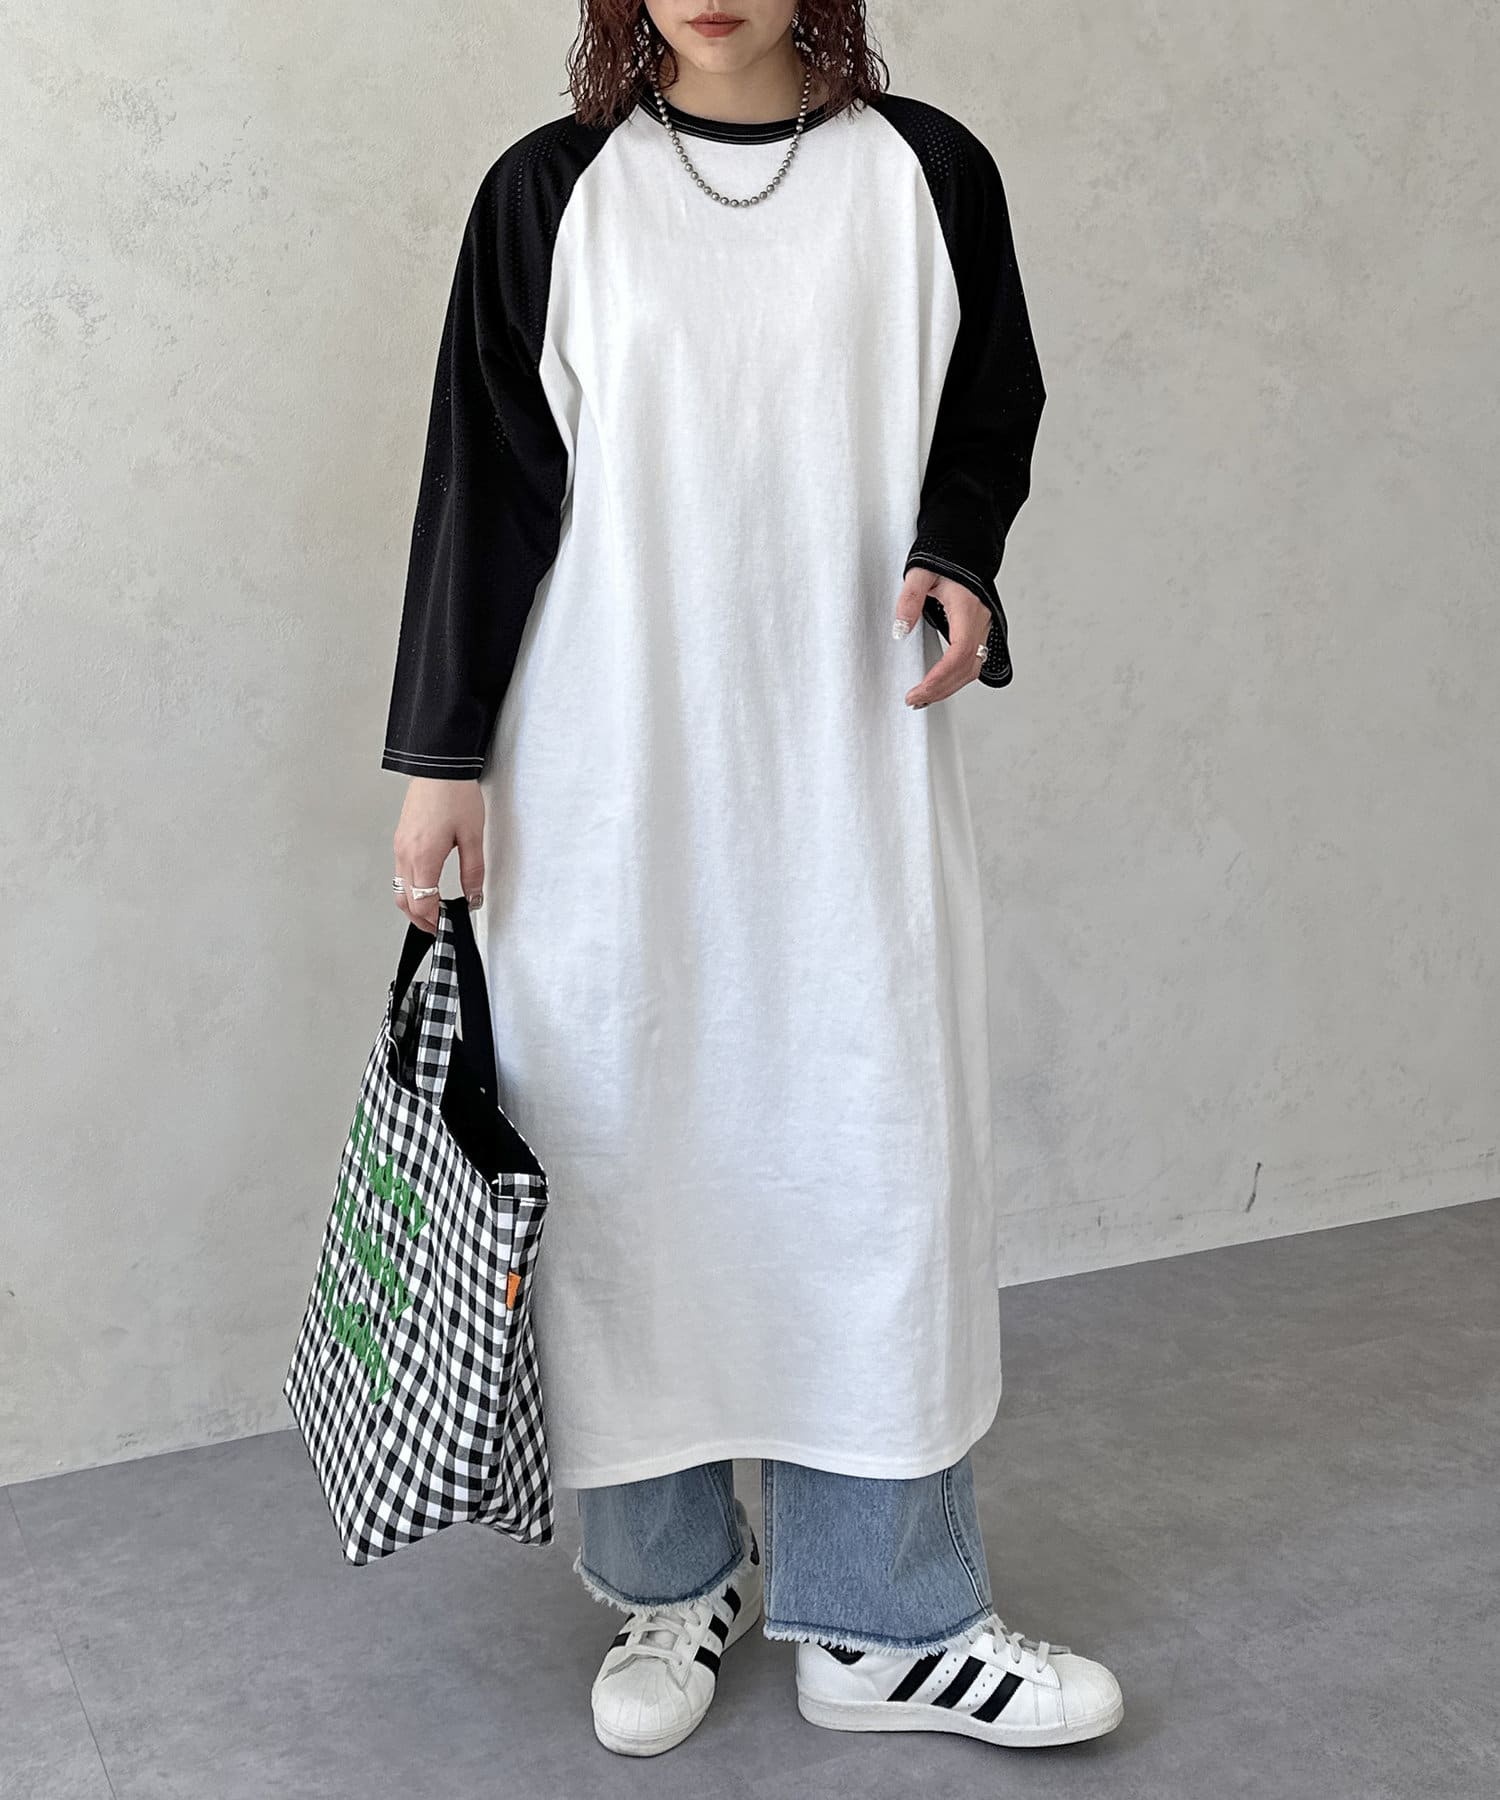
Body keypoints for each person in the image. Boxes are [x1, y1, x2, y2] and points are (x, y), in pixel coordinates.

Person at [382, 0, 1123, 1761]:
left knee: (871, 1158)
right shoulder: (553, 193)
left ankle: (888, 1621)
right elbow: (485, 484)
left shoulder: (926, 174)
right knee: (627, 1157)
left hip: (846, 757)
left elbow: (990, 404)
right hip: (606, 773)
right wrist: (440, 757)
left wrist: (959, 558)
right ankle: (669, 1583)